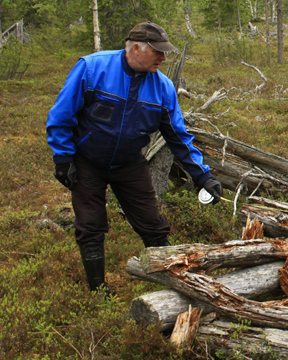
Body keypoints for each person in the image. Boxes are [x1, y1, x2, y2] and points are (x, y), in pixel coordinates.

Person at [47, 22, 223, 295]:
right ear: (137, 47)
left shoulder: (163, 88)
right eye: (158, 52)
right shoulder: (93, 68)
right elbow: (61, 115)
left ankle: (176, 284)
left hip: (129, 163)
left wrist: (203, 176)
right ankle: (98, 291)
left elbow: (178, 137)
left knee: (153, 224)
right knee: (90, 226)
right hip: (87, 161)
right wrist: (63, 158)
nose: (164, 58)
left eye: (165, 52)